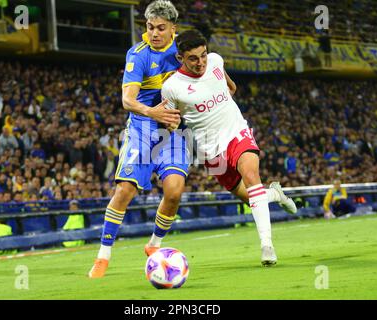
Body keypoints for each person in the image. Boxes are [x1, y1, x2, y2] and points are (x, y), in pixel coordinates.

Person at [161, 29, 297, 266]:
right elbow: (171, 122)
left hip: (236, 132)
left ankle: (267, 246)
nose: (200, 62)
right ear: (180, 58)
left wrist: (225, 93)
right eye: (193, 58)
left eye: (203, 55)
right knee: (249, 198)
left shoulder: (215, 61)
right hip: (208, 150)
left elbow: (229, 86)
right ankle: (275, 194)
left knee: (252, 176)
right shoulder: (172, 87)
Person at [88, 0, 188, 278]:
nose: (154, 33)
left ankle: (154, 245)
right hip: (142, 130)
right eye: (150, 27)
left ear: (173, 29)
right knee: (125, 191)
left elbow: (206, 68)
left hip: (174, 133)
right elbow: (127, 100)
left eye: (161, 28)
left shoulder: (184, 50)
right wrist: (152, 111)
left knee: (174, 191)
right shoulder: (138, 54)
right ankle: (103, 256)